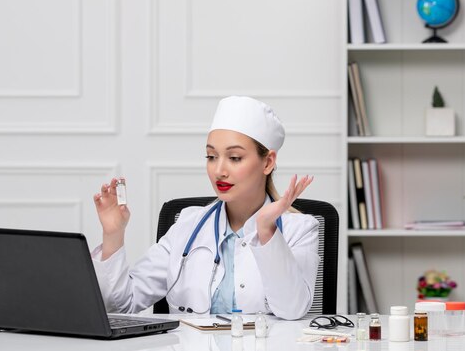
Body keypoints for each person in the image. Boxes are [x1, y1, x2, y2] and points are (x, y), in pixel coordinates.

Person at [91, 96, 319, 320]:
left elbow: (293, 310)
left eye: (235, 157)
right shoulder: (187, 225)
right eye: (211, 156)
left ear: (268, 162)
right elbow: (120, 306)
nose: (219, 170)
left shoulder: (300, 229)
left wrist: (267, 230)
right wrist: (113, 235)